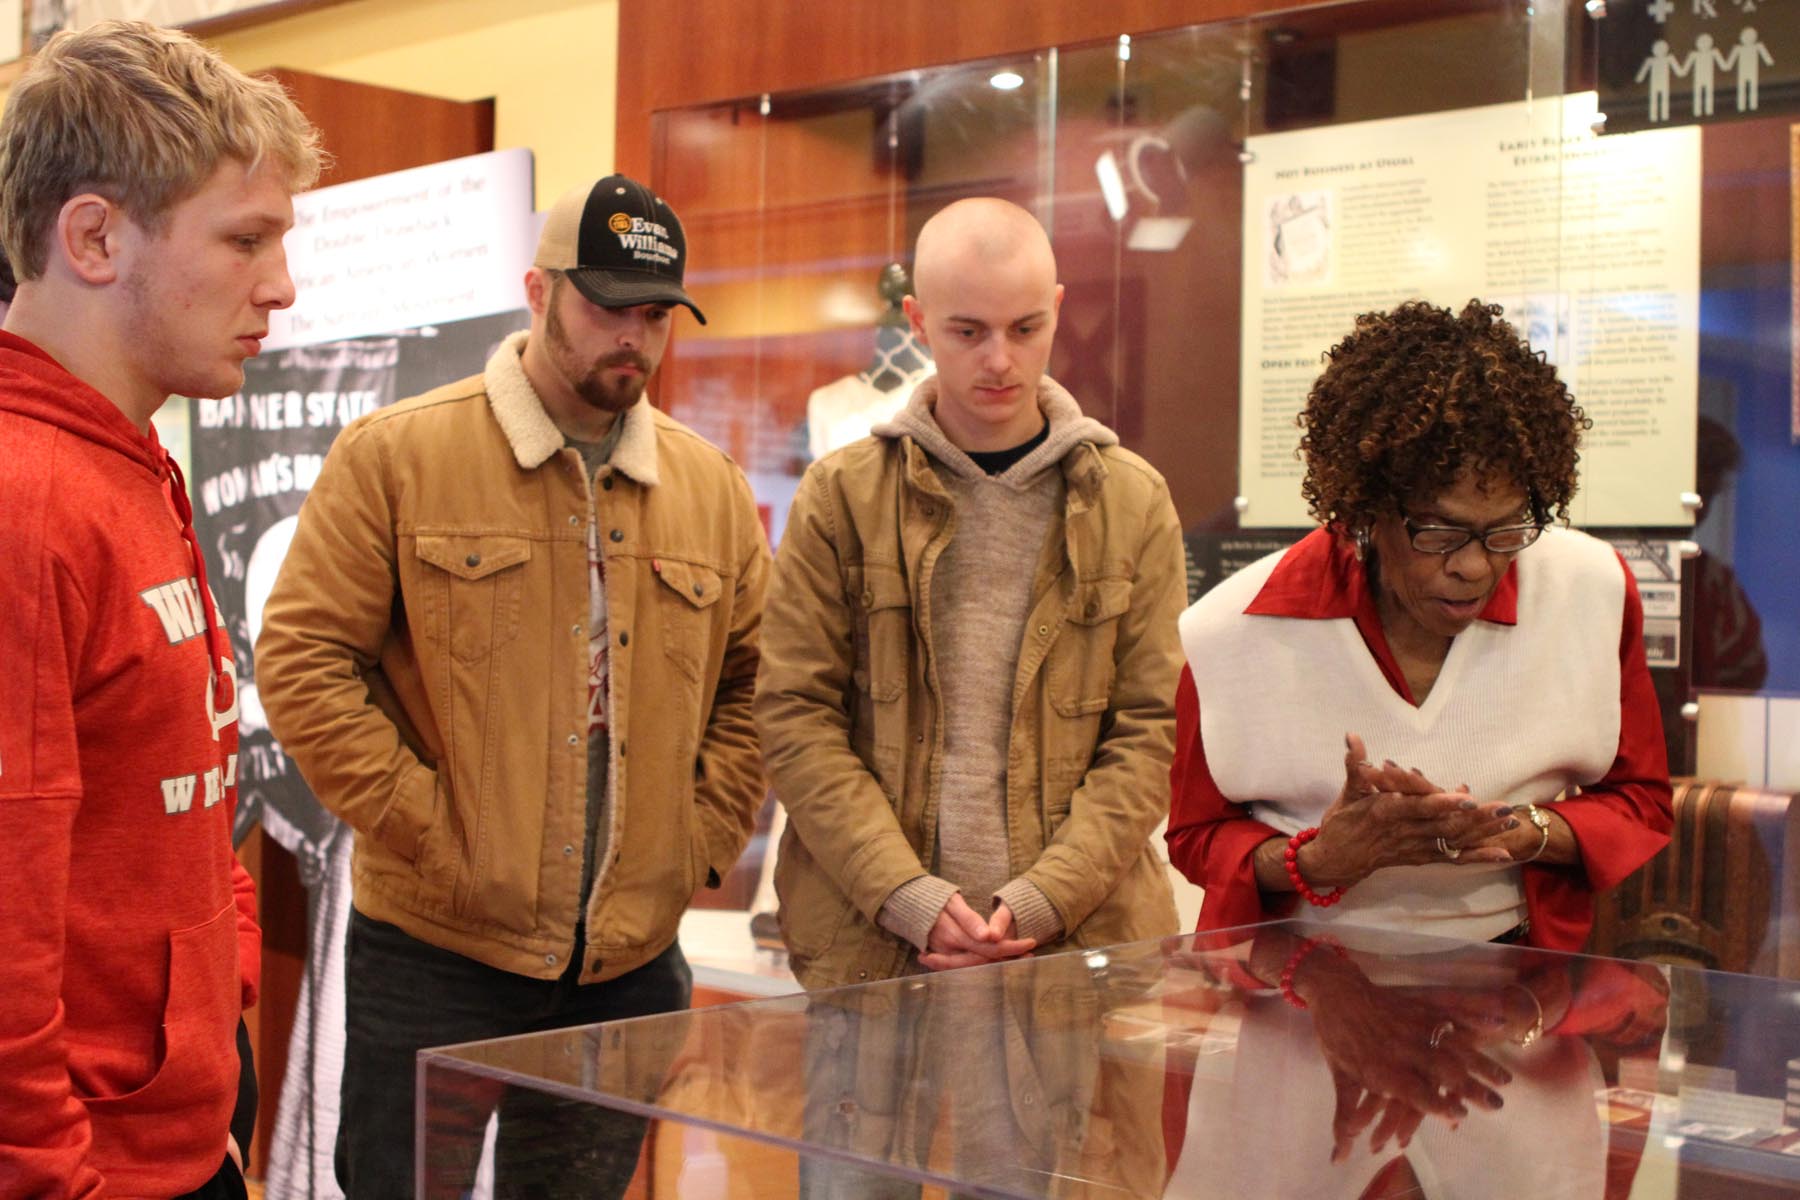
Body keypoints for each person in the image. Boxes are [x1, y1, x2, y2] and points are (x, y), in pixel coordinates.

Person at [255, 175, 769, 1196]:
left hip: (626, 963)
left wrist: (695, 838)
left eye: (655, 313)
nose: (633, 335)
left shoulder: (708, 489)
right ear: (537, 291)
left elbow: (756, 686)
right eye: (606, 304)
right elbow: (305, 660)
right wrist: (429, 829)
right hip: (434, 949)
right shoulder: (399, 456)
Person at [0, 20, 320, 1198]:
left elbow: (180, 789)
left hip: (177, 1138)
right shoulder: (26, 495)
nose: (280, 287)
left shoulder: (125, 463)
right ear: (94, 236)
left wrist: (216, 1038)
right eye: (245, 241)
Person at [756, 196, 1182, 991]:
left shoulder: (1133, 502)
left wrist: (1047, 898)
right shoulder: (840, 498)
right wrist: (904, 894)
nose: (1000, 361)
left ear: (1057, 310)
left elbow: (1149, 733)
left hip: (1078, 957)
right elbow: (794, 714)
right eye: (967, 331)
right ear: (917, 321)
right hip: (875, 954)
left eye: (1026, 329)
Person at [1168, 299, 1673, 952]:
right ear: (1365, 508)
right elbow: (1194, 836)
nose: (1473, 566)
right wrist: (1318, 860)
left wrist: (1523, 830)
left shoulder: (1591, 590)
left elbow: (1641, 801)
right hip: (1295, 988)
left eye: (1506, 530)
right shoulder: (1232, 630)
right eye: (1439, 531)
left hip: (1514, 986)